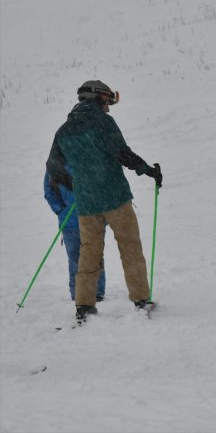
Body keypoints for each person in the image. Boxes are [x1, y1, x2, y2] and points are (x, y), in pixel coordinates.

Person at [46, 80, 163, 323]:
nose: (109, 105)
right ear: (98, 98)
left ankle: (84, 306)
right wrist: (147, 170)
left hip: (87, 204)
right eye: (108, 100)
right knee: (130, 247)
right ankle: (141, 300)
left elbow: (53, 168)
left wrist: (80, 182)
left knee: (89, 254)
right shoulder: (103, 122)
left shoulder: (64, 131)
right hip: (115, 197)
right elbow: (122, 152)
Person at [44, 165, 106, 301]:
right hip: (69, 221)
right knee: (74, 259)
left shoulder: (90, 157)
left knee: (96, 255)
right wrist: (61, 209)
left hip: (93, 218)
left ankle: (98, 292)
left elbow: (106, 187)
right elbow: (48, 191)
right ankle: (77, 293)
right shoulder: (55, 161)